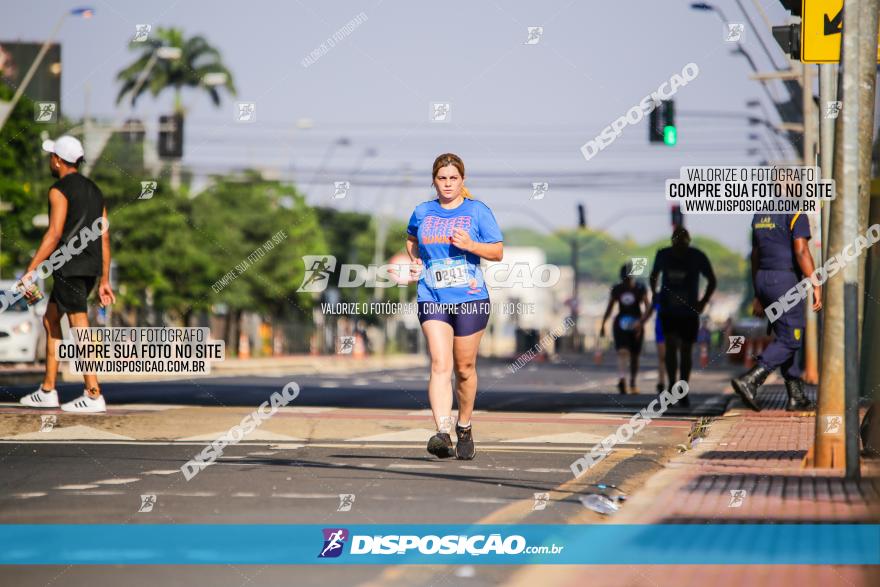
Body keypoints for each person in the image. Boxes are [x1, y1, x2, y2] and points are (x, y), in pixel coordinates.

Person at [406, 153, 503, 460]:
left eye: (453, 178)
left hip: (470, 299)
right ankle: (442, 432)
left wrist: (471, 246)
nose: (447, 184)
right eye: (442, 178)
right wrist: (416, 260)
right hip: (431, 296)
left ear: (463, 180)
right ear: (434, 180)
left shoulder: (477, 211)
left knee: (464, 369)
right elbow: (410, 238)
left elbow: (498, 251)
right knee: (439, 363)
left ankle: (464, 425)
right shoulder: (423, 211)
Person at [18, 136, 116, 413]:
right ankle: (48, 389)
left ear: (59, 160)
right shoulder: (95, 191)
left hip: (68, 267)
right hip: (90, 268)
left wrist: (31, 270)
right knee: (51, 319)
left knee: (79, 326)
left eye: (52, 156)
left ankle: (93, 393)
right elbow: (104, 236)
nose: (50, 160)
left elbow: (54, 234)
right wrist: (105, 280)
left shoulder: (58, 190)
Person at [731, 213, 820, 411]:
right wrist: (815, 284)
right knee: (791, 338)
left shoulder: (760, 216)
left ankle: (796, 396)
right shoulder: (796, 214)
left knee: (784, 335)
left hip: (763, 278)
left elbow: (755, 254)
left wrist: (758, 293)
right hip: (785, 280)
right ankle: (751, 379)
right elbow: (801, 251)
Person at [641, 227, 716, 405]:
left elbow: (712, 280)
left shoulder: (696, 256)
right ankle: (675, 387)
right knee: (674, 348)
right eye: (678, 241)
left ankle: (680, 388)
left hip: (687, 311)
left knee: (684, 350)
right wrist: (655, 293)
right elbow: (653, 277)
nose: (680, 245)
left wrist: (703, 301)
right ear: (673, 241)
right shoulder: (665, 255)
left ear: (688, 241)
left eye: (683, 242)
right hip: (670, 311)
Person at [599, 262, 649, 393]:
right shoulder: (617, 289)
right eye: (624, 279)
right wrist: (603, 323)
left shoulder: (640, 288)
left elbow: (648, 308)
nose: (627, 281)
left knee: (634, 356)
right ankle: (622, 379)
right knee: (622, 352)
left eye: (629, 278)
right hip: (620, 323)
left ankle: (632, 382)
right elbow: (610, 307)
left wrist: (641, 322)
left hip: (637, 324)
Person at [653, 302, 667, 393]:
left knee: (669, 357)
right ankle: (661, 382)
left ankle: (672, 382)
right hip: (661, 329)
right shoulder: (658, 297)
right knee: (662, 358)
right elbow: (650, 309)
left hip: (676, 328)